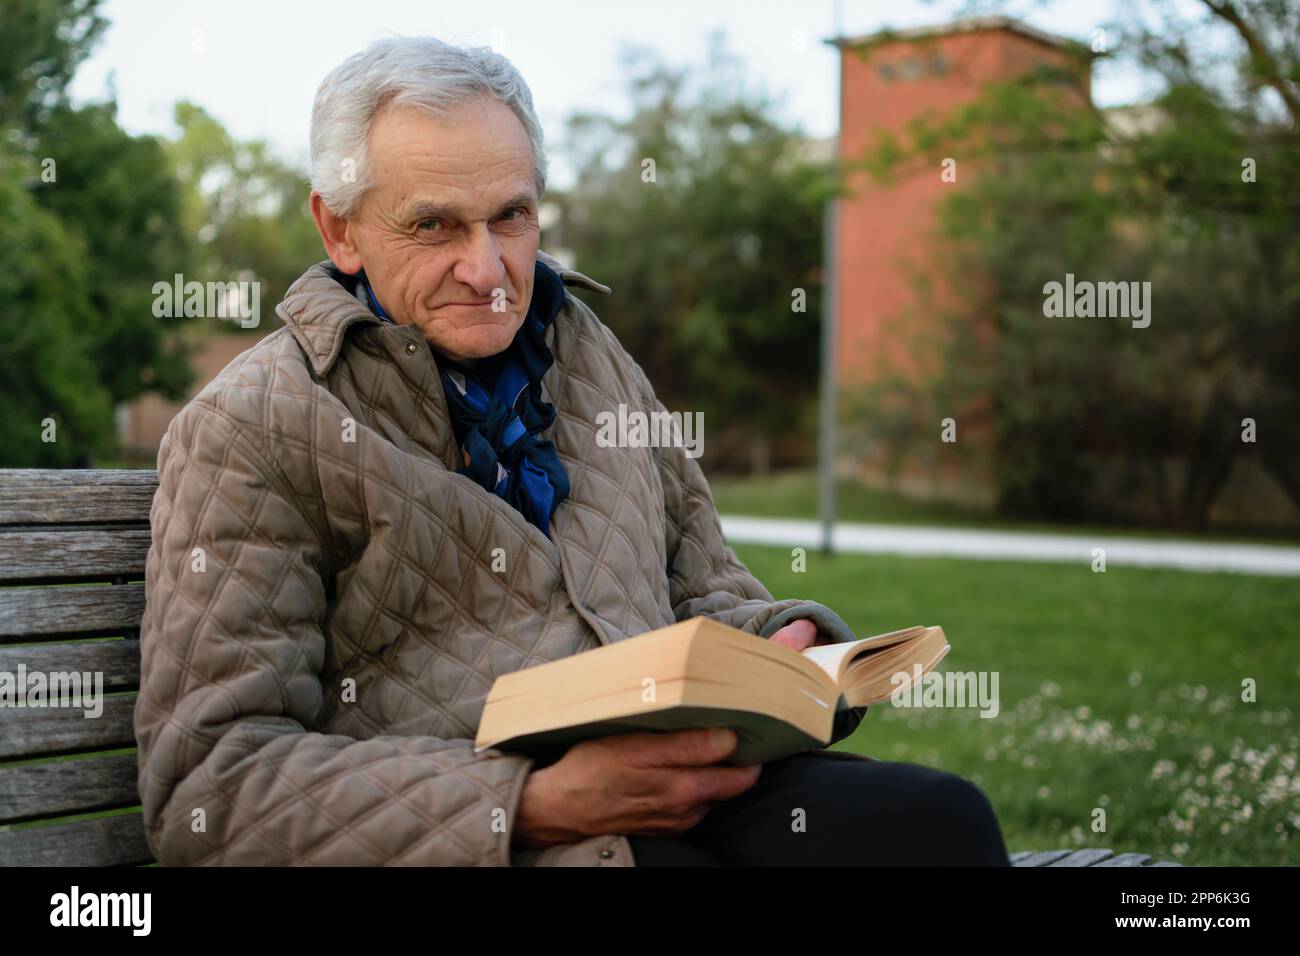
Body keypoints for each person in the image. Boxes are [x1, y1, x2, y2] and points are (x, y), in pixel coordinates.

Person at [134, 35, 1009, 866]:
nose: (489, 269)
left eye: (512, 216)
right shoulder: (253, 422)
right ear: (340, 230)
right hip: (493, 843)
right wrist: (531, 801)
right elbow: (212, 786)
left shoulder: (590, 355)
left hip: (697, 789)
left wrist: (783, 643)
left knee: (939, 826)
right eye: (435, 227)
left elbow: (706, 589)